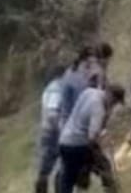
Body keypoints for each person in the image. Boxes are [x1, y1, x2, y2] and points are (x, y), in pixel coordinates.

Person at [35, 43, 113, 193]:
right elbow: (86, 107)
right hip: (76, 133)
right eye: (94, 62)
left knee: (72, 171)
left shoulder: (73, 76)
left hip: (69, 132)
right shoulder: (81, 80)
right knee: (95, 168)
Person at [58, 83, 126, 193]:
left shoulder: (89, 92)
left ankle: (78, 187)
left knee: (69, 176)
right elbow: (92, 136)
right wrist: (103, 142)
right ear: (110, 96)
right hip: (79, 144)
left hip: (64, 141)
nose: (113, 106)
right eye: (114, 102)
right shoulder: (99, 109)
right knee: (105, 167)